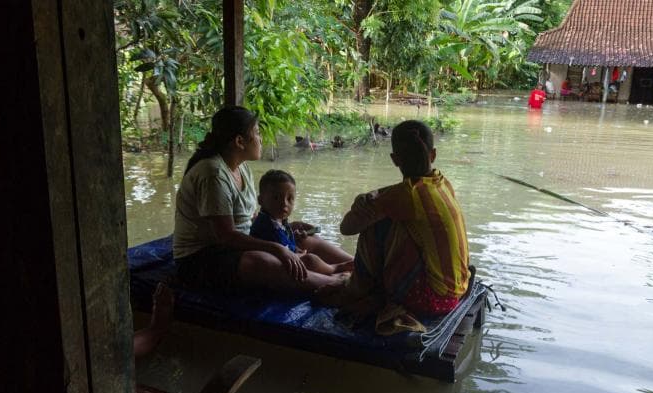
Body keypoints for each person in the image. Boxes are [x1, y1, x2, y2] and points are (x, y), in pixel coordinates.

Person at [173, 106, 352, 294]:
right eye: (257, 133)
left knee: (304, 236)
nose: (261, 139)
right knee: (260, 262)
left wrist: (283, 228)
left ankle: (359, 267)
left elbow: (249, 217)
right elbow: (225, 237)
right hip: (201, 260)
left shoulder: (241, 169)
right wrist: (277, 249)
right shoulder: (213, 173)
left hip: (235, 246)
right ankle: (338, 283)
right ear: (240, 141)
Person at [324, 120, 470, 333]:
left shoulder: (406, 195)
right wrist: (372, 196)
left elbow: (347, 228)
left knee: (376, 226)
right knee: (395, 221)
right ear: (433, 155)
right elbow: (394, 192)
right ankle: (365, 287)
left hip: (431, 300)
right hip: (454, 294)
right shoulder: (442, 182)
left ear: (395, 159)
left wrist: (365, 201)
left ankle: (358, 290)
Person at [250, 170, 353, 275]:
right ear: (260, 200)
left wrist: (296, 249)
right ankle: (335, 269)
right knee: (310, 260)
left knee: (310, 249)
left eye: (290, 199)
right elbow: (278, 251)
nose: (284, 203)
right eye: (276, 198)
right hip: (275, 265)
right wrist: (300, 255)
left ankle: (343, 266)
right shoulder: (265, 226)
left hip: (286, 256)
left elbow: (286, 243)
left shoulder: (279, 221)